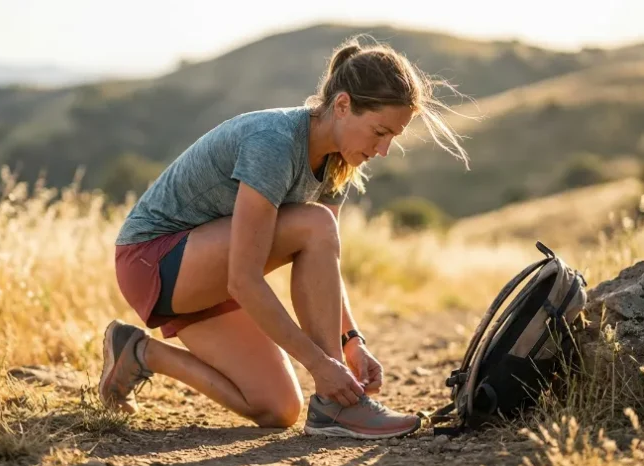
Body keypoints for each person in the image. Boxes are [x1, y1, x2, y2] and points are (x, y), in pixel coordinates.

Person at [100, 35, 469, 439]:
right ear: (342, 105)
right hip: (154, 262)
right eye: (379, 132)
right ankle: (337, 406)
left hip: (206, 273)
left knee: (278, 408)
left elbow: (324, 260)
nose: (382, 150)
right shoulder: (275, 142)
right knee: (316, 224)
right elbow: (244, 279)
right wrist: (322, 366)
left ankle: (137, 352)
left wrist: (352, 342)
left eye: (392, 138)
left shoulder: (339, 162)